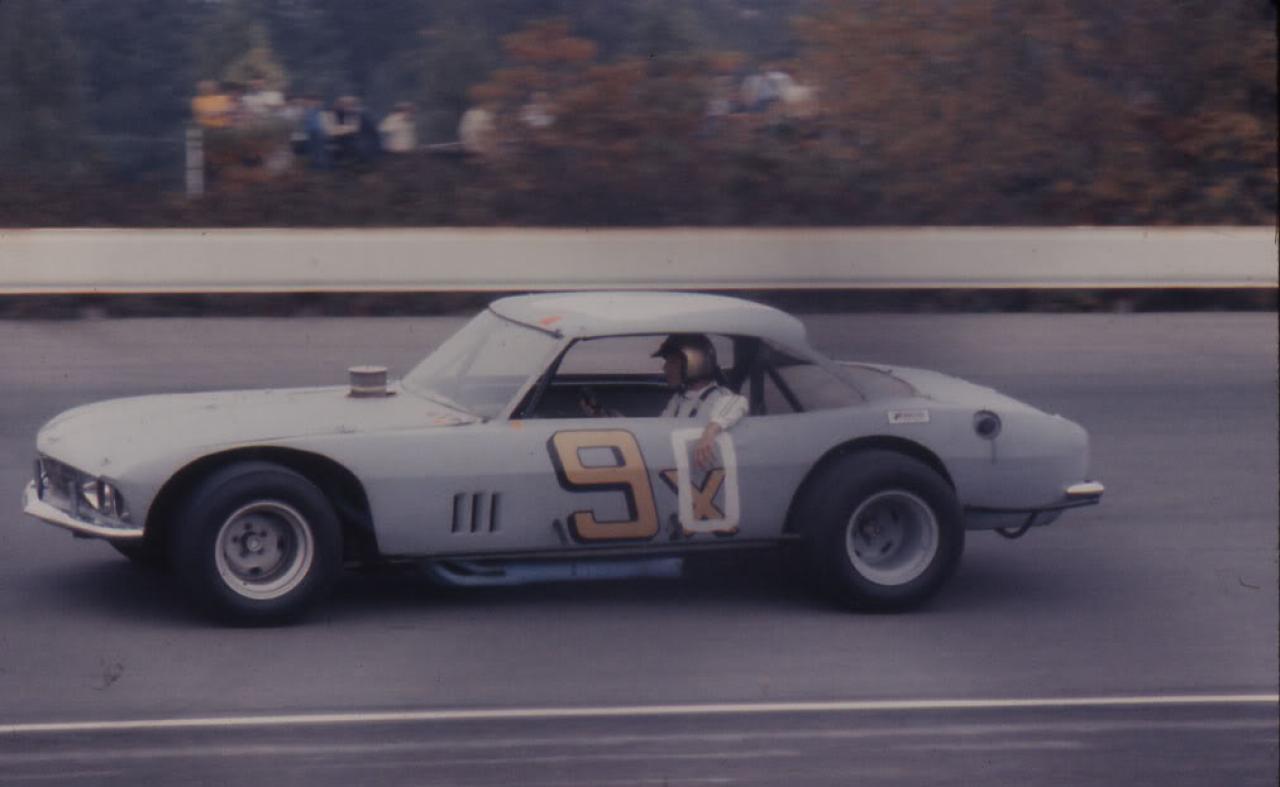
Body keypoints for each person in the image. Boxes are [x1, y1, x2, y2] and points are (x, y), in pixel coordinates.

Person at [654, 334, 748, 469]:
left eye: (672, 362)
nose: (665, 368)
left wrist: (710, 431)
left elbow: (737, 402)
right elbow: (661, 427)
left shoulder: (718, 395)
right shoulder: (678, 399)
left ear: (694, 363)